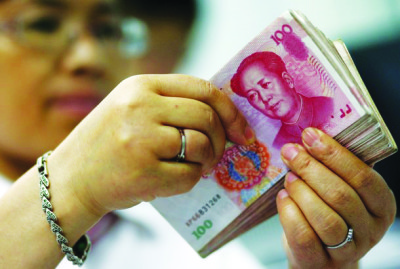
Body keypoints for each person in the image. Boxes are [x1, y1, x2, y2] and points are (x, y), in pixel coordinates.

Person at [0, 0, 396, 269]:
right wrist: (71, 187)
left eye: (107, 29)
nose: (91, 57)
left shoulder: (172, 228)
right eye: (43, 24)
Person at [231, 51, 334, 148]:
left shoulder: (331, 107)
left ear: (287, 79)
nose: (264, 98)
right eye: (253, 95)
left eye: (266, 84)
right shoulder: (279, 145)